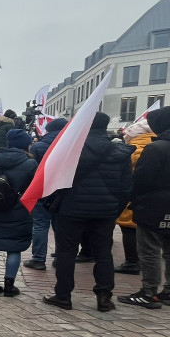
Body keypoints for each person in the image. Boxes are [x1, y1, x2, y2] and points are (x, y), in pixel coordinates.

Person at [43, 113, 134, 312]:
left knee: (66, 253)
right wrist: (114, 209)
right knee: (103, 253)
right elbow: (126, 187)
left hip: (72, 208)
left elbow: (55, 178)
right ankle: (104, 297)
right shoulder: (120, 152)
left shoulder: (71, 150)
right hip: (105, 210)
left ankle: (63, 295)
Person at [119, 107, 170, 308]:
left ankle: (149, 292)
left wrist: (133, 199)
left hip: (152, 205)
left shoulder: (156, 148)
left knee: (149, 251)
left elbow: (142, 179)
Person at [0, 128, 37, 296]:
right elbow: (35, 189)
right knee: (14, 248)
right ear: (26, 144)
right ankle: (10, 286)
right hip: (19, 211)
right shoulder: (30, 163)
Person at [23, 118, 67, 270]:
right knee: (60, 225)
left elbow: (32, 169)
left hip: (42, 189)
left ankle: (39, 259)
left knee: (40, 224)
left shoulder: (38, 146)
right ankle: (61, 257)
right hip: (63, 190)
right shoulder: (70, 145)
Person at [113, 120, 155, 276]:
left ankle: (132, 262)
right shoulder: (158, 143)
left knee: (129, 228)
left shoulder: (135, 149)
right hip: (155, 198)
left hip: (134, 196)